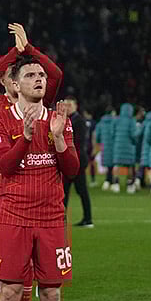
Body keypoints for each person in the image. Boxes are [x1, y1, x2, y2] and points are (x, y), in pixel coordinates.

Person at [0, 54, 79, 301]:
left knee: (51, 293)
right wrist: (25, 137)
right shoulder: (0, 120)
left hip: (52, 218)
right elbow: (4, 166)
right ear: (15, 84)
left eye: (41, 75)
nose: (39, 79)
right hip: (15, 217)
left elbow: (72, 169)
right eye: (30, 75)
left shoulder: (59, 119)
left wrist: (59, 139)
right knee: (11, 293)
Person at [0, 24, 62, 301]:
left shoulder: (38, 100)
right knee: (16, 262)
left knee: (29, 264)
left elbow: (55, 74)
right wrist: (13, 53)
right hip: (5, 186)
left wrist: (28, 50)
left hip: (38, 187)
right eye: (9, 74)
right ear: (8, 81)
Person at [62, 96, 93, 227]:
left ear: (76, 106)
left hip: (77, 161)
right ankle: (61, 219)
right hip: (69, 161)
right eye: (65, 105)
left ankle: (88, 219)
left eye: (69, 105)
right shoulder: (65, 120)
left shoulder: (79, 121)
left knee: (81, 191)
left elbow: (78, 142)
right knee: (64, 191)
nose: (67, 108)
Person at [112, 103, 139, 193]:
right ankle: (129, 185)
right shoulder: (131, 121)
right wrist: (135, 141)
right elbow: (133, 134)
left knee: (117, 165)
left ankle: (116, 184)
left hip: (118, 146)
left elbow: (112, 133)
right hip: (129, 147)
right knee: (130, 166)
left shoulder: (116, 120)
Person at [95, 108, 117, 189]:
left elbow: (97, 135)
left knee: (108, 164)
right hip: (114, 145)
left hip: (104, 144)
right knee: (113, 163)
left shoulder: (100, 123)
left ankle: (108, 181)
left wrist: (100, 141)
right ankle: (111, 181)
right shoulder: (115, 121)